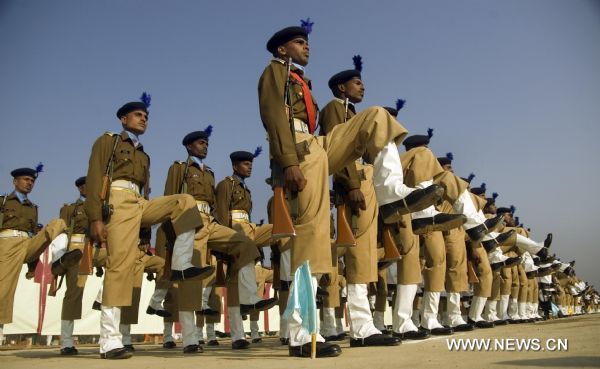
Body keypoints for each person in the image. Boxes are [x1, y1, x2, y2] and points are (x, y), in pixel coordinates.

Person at [259, 24, 443, 358]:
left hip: (318, 147)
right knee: (308, 243)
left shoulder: (301, 80)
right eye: (300, 42)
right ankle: (301, 334)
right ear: (282, 49)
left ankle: (391, 191)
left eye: (308, 42)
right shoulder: (274, 73)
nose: (307, 47)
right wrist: (288, 162)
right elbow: (274, 117)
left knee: (377, 116)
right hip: (298, 150)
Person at [84, 95, 212, 359]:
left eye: (146, 116)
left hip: (140, 203)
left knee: (184, 201)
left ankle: (181, 264)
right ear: (124, 119)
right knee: (120, 265)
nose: (144, 119)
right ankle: (109, 340)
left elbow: (146, 189)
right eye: (138, 115)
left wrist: (145, 232)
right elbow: (95, 176)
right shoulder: (108, 141)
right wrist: (95, 218)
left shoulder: (144, 154)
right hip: (117, 202)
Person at [0, 166, 71, 345]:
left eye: (32, 181)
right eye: (26, 179)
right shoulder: (3, 202)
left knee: (59, 222)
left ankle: (58, 260)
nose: (29, 183)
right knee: (3, 291)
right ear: (15, 181)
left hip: (27, 245)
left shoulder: (33, 208)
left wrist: (33, 266)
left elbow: (34, 235)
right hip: (7, 245)